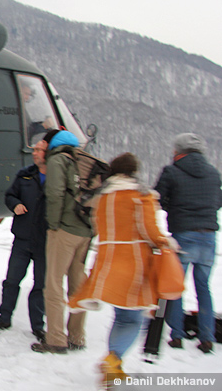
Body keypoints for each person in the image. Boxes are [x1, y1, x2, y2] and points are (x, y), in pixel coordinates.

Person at [68, 153, 174, 388]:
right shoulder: (140, 196)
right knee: (133, 319)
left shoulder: (102, 197)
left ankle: (113, 367)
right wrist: (165, 243)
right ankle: (113, 360)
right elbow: (149, 230)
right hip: (134, 263)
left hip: (107, 262)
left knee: (122, 316)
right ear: (133, 171)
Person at [154, 133, 222, 354]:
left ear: (179, 151)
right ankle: (207, 337)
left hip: (183, 235)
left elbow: (159, 199)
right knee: (204, 287)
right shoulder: (213, 173)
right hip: (208, 237)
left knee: (176, 287)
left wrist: (175, 208)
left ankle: (177, 336)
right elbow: (218, 202)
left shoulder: (171, 171)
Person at [31, 129, 94, 354]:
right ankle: (77, 337)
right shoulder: (81, 160)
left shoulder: (58, 159)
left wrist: (53, 224)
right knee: (78, 285)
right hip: (85, 231)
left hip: (65, 231)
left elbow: (55, 192)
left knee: (54, 284)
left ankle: (56, 339)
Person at [0, 139, 48, 342]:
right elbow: (10, 195)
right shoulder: (25, 174)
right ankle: (4, 318)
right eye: (35, 149)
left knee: (40, 286)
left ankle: (38, 326)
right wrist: (15, 205)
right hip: (22, 239)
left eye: (40, 150)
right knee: (11, 281)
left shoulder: (57, 179)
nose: (35, 153)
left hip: (45, 242)